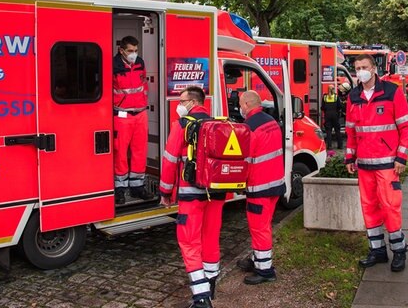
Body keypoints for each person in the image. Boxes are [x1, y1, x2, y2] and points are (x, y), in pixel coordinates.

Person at [345, 54, 408, 272]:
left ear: (374, 68)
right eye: (357, 68)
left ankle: (399, 251)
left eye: (364, 66)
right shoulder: (353, 97)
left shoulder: (392, 92)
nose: (361, 71)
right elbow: (351, 131)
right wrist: (350, 157)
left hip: (387, 164)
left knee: (390, 207)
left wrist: (401, 157)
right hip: (364, 165)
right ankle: (377, 251)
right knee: (369, 208)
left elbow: (407, 127)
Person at [159, 86, 225, 308]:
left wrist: (165, 192)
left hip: (191, 194)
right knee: (211, 237)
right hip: (216, 193)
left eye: (182, 100)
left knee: (189, 242)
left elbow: (169, 160)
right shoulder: (217, 123)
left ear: (193, 102)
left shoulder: (182, 125)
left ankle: (201, 298)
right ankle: (211, 284)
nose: (179, 103)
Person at [235, 91, 286, 285]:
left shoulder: (249, 128)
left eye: (240, 104)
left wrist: (238, 184)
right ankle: (257, 259)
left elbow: (245, 160)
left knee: (259, 228)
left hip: (259, 186)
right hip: (275, 183)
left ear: (247, 104)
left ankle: (265, 270)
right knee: (263, 224)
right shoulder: (271, 121)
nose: (240, 107)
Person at [113, 36, 153, 204]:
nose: (133, 54)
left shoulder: (140, 63)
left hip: (141, 113)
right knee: (120, 152)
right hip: (122, 114)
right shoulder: (113, 66)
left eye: (136, 51)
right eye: (130, 51)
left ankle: (137, 187)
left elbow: (142, 83)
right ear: (121, 50)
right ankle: (120, 189)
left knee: (140, 151)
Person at [321, 85, 343, 149]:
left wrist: (326, 111)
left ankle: (329, 146)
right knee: (337, 130)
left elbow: (322, 107)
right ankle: (340, 145)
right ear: (333, 89)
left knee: (328, 131)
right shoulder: (336, 97)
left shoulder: (325, 97)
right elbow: (339, 106)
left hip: (327, 115)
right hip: (335, 115)